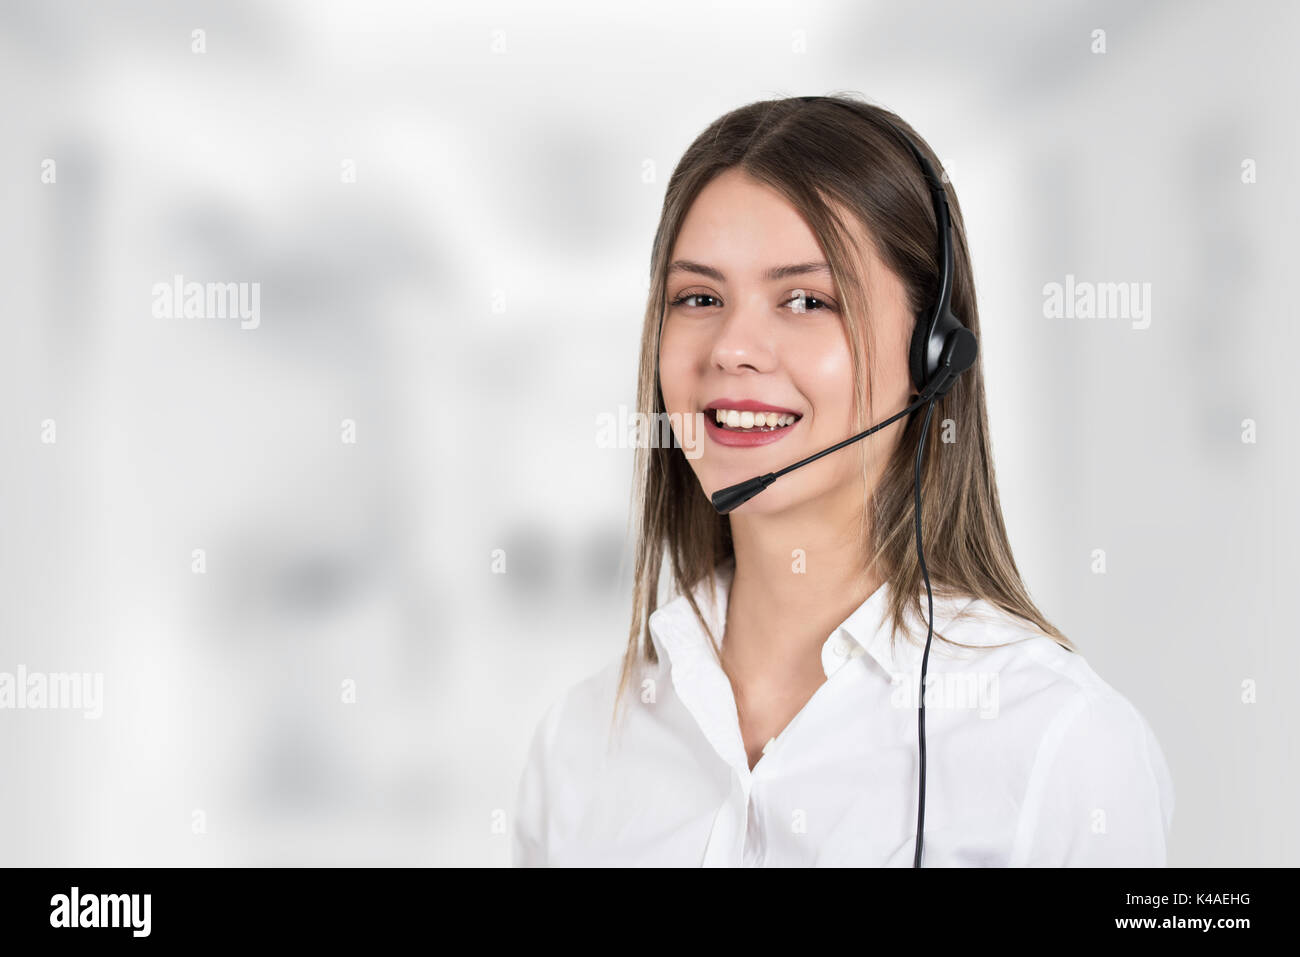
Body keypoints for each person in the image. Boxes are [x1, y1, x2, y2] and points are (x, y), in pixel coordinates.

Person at [511, 94, 1174, 866]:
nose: (733, 348)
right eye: (699, 297)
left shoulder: (1060, 746)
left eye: (806, 300)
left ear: (932, 354)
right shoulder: (581, 744)